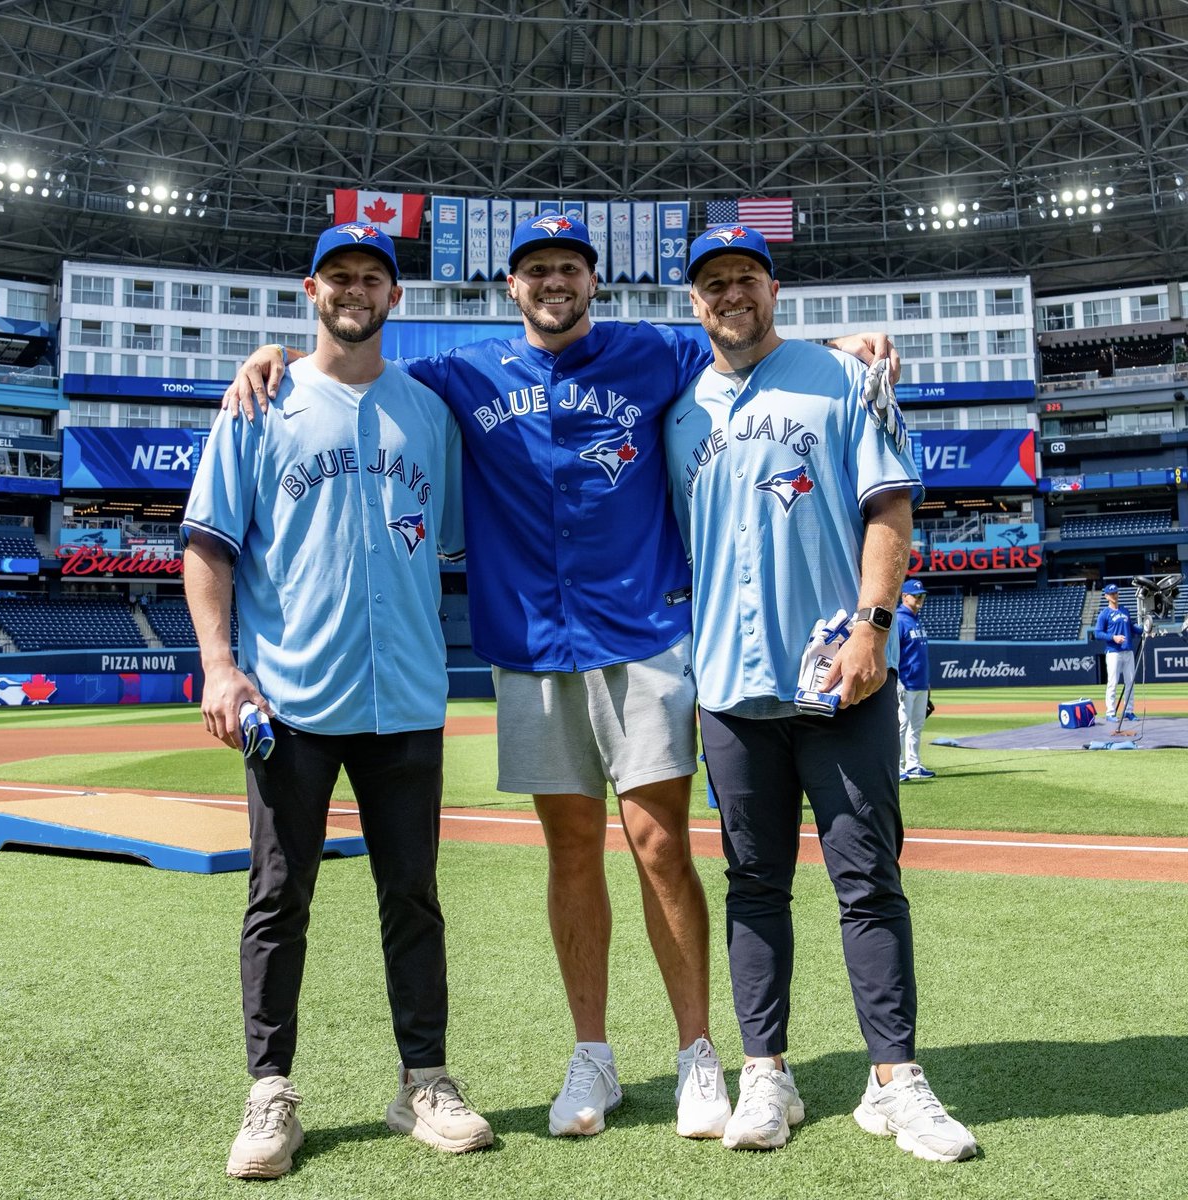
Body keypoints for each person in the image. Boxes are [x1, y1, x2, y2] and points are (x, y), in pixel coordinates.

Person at [224, 212, 898, 1140]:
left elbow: (746, 338)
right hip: (531, 646)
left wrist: (841, 347)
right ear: (511, 287)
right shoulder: (458, 377)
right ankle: (593, 1055)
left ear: (594, 280)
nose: (554, 281)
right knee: (571, 851)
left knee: (661, 845)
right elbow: (351, 370)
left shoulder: (653, 353)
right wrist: (271, 354)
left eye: (569, 267)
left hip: (642, 636)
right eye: (536, 268)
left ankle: (700, 1053)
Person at [183, 223, 492, 1179]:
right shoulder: (259, 402)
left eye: (374, 278)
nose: (356, 290)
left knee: (413, 897)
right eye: (340, 276)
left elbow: (445, 537)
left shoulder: (429, 412)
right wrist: (219, 665)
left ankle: (424, 1082)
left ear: (394, 298)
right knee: (279, 898)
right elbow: (206, 545)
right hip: (292, 699)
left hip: (404, 694)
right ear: (311, 289)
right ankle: (270, 1091)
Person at [664, 224, 976, 1161]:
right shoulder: (677, 410)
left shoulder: (844, 378)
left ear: (773, 288)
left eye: (747, 278)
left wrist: (875, 625)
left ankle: (895, 1081)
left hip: (841, 678)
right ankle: (768, 1073)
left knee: (866, 879)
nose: (732, 294)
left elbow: (889, 506)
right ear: (695, 301)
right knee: (753, 884)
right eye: (714, 283)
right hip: (729, 685)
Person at [896, 579, 935, 781]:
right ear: (904, 597)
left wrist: (927, 683)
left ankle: (913, 764)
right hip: (905, 682)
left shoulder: (917, 619)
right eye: (916, 595)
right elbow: (894, 654)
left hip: (920, 682)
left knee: (917, 725)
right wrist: (897, 681)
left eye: (922, 595)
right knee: (901, 725)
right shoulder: (899, 620)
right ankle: (897, 766)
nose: (921, 598)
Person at [1094, 583, 1138, 719]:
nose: (1114, 595)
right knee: (1113, 682)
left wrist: (1145, 628)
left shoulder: (1125, 610)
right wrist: (1113, 637)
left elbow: (1132, 628)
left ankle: (1128, 711)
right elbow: (1097, 633)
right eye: (1111, 593)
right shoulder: (1104, 614)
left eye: (1116, 593)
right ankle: (1110, 712)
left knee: (1130, 682)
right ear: (1106, 596)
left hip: (1128, 650)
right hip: (1113, 651)